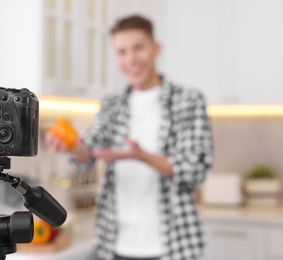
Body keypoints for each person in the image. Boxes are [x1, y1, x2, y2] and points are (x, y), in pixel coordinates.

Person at [47, 15, 213, 260]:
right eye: (121, 51)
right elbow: (88, 153)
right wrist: (72, 146)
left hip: (174, 246)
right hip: (114, 246)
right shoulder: (112, 104)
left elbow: (194, 170)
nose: (131, 59)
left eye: (138, 48)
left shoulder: (187, 101)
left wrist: (140, 156)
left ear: (156, 49)